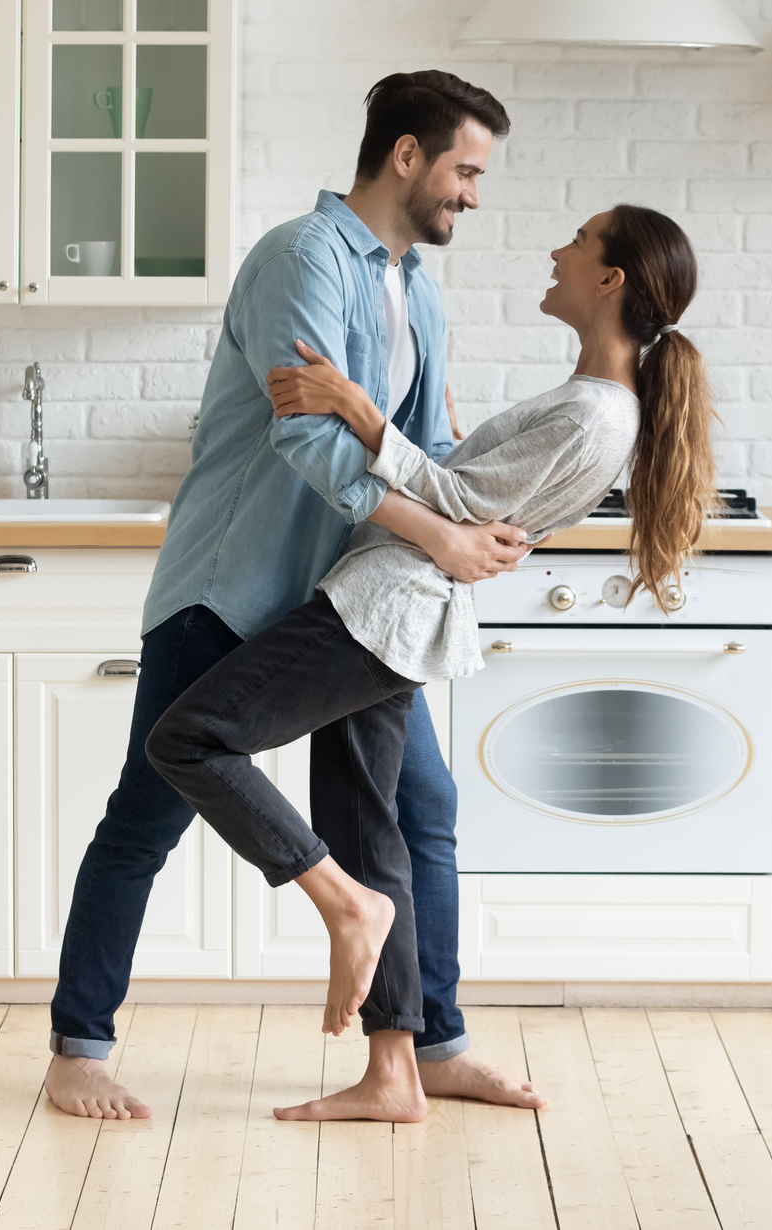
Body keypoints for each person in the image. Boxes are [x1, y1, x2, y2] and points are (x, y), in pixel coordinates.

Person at [43, 71, 548, 1120]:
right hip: (232, 587)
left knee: (425, 808)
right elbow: (308, 436)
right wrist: (440, 533)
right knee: (148, 815)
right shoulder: (302, 259)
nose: (473, 194)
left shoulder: (419, 287)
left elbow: (429, 448)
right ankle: (77, 1046)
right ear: (405, 156)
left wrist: (471, 514)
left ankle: (433, 1044)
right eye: (465, 169)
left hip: (346, 602)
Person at [146, 204, 713, 1122]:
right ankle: (394, 1071)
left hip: (380, 609)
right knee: (374, 827)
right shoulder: (592, 401)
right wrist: (428, 434)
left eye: (578, 240)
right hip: (393, 608)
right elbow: (467, 493)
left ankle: (339, 905)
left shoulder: (595, 410)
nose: (556, 247)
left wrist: (361, 411)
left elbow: (451, 504)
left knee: (191, 740)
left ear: (610, 281)